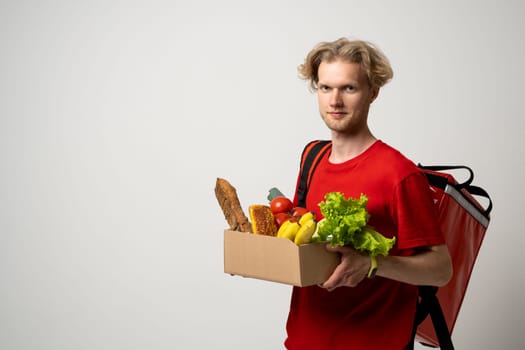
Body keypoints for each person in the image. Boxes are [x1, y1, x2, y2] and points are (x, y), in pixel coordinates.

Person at [284, 38, 453, 350]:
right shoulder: (312, 157)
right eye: (325, 88)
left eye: (348, 88)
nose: (334, 100)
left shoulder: (398, 174)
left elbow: (441, 270)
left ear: (373, 92)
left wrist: (373, 263)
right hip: (304, 340)